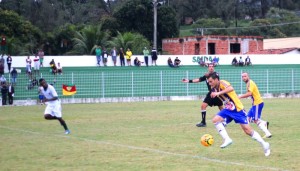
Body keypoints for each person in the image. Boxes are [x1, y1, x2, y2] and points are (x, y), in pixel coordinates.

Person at [207, 72, 270, 156]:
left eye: (211, 81)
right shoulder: (213, 87)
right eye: (209, 81)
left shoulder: (222, 83)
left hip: (237, 109)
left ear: (216, 80)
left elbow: (231, 88)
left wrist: (218, 94)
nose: (209, 83)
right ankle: (227, 139)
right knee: (215, 120)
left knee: (248, 131)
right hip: (228, 109)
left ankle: (264, 144)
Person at [239, 72, 272, 138]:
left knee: (256, 120)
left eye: (245, 76)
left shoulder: (250, 83)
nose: (243, 78)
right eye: (242, 77)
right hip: (255, 104)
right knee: (247, 118)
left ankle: (268, 133)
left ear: (248, 76)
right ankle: (264, 123)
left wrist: (239, 97)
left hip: (258, 103)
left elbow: (249, 93)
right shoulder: (248, 83)